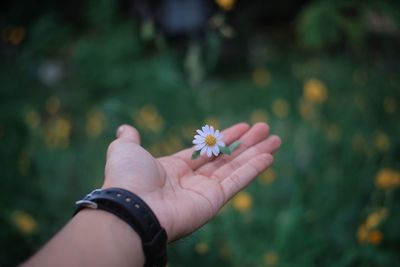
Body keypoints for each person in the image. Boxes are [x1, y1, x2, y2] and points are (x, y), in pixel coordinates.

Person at [23, 122, 281, 267]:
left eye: (211, 139)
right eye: (208, 139)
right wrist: (133, 198)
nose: (210, 140)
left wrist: (127, 204)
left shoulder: (212, 142)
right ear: (207, 140)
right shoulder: (207, 142)